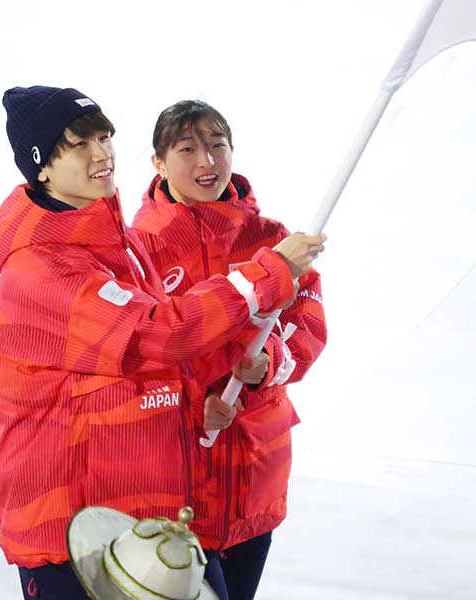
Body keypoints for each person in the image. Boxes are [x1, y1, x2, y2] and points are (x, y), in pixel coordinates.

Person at [0, 86, 326, 600]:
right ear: (42, 168)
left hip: (148, 513)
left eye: (104, 138)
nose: (102, 155)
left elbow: (149, 368)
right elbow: (155, 334)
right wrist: (270, 272)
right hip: (76, 533)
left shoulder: (119, 245)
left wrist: (202, 402)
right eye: (80, 145)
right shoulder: (44, 268)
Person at [131, 100, 328, 600]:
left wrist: (268, 366)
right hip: (179, 477)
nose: (207, 162)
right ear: (157, 162)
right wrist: (195, 405)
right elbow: (139, 354)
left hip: (253, 472)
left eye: (218, 147)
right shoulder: (140, 250)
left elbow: (307, 327)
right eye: (188, 149)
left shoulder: (275, 240)